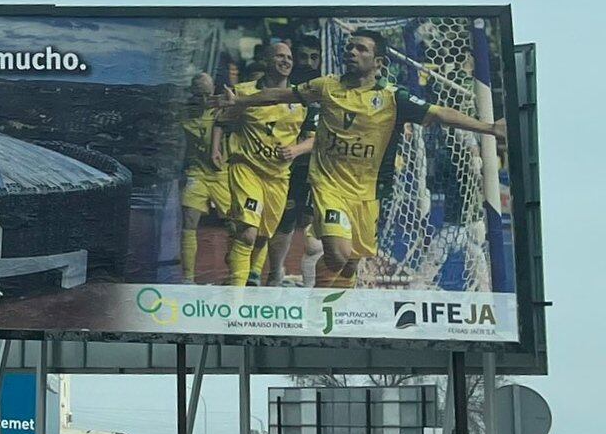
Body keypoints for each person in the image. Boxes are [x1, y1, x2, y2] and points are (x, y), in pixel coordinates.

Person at [216, 29, 505, 288]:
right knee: (337, 252)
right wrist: (240, 100)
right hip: (328, 186)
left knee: (352, 262)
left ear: (379, 62)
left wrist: (489, 128)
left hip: (368, 192)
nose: (351, 52)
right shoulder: (326, 86)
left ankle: (330, 311)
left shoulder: (393, 97)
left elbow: (440, 113)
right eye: (350, 47)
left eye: (361, 49)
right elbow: (280, 95)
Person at [213, 42, 314, 286]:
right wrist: (216, 148)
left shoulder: (300, 99)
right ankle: (236, 300)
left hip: (278, 177)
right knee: (248, 232)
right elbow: (221, 120)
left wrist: (295, 150)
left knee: (260, 237)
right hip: (247, 169)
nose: (286, 61)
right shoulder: (243, 91)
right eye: (280, 56)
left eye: (289, 57)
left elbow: (313, 137)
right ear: (267, 61)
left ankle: (249, 277)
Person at [268, 35, 324, 286]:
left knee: (313, 230)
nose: (309, 62)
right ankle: (275, 274)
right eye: (303, 57)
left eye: (314, 57)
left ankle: (311, 290)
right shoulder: (285, 87)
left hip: (317, 167)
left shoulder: (325, 89)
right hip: (282, 166)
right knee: (283, 223)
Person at [179, 72, 231, 284]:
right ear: (192, 93)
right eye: (198, 95)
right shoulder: (183, 113)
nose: (203, 100)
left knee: (236, 227)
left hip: (222, 174)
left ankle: (233, 274)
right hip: (197, 173)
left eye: (207, 95)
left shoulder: (223, 109)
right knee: (189, 221)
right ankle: (188, 279)